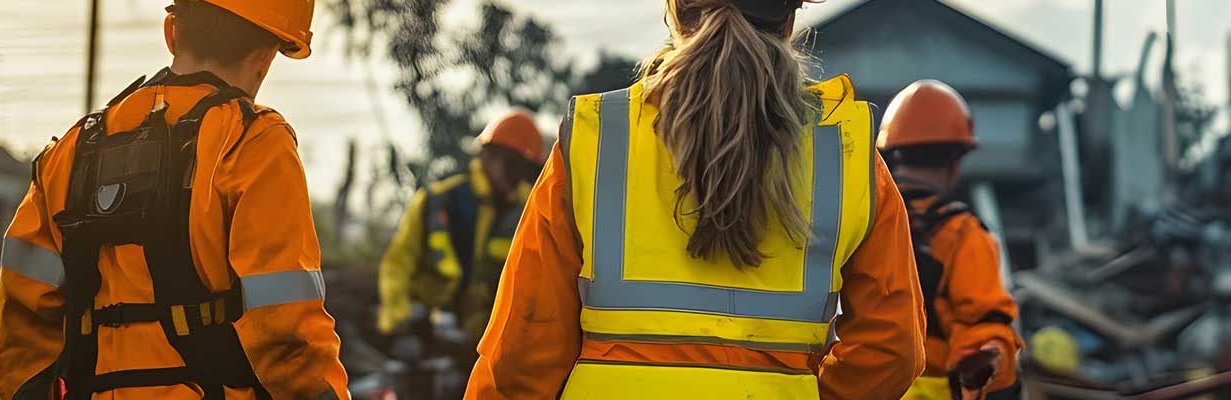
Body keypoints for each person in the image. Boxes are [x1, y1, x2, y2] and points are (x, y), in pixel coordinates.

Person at [464, 0, 927, 398]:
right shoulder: (843, 151)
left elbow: (522, 351)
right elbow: (891, 349)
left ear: (675, 11)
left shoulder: (595, 141)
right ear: (791, 16)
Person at [0, 1, 348, 398]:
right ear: (266, 56)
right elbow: (285, 328)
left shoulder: (71, 151)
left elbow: (20, 320)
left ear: (171, 32)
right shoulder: (253, 143)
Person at [878, 80, 1024, 400]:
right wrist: (993, 354)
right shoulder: (963, 235)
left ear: (890, 156)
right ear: (955, 162)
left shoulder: (858, 222)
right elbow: (982, 328)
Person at [377, 110, 545, 354]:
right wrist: (403, 323)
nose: (518, 176)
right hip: (427, 338)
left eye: (525, 169)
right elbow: (397, 265)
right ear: (488, 156)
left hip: (487, 346)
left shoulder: (531, 213)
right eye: (513, 165)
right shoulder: (436, 201)